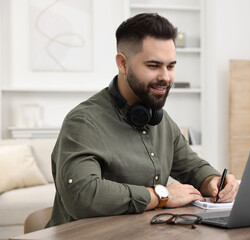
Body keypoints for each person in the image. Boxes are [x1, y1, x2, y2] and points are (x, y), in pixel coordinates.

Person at [46, 13, 238, 227]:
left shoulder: (161, 120)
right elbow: (82, 195)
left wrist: (213, 181)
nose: (165, 76)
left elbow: (192, 167)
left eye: (171, 66)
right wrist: (161, 195)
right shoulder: (83, 122)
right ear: (123, 63)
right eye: (154, 66)